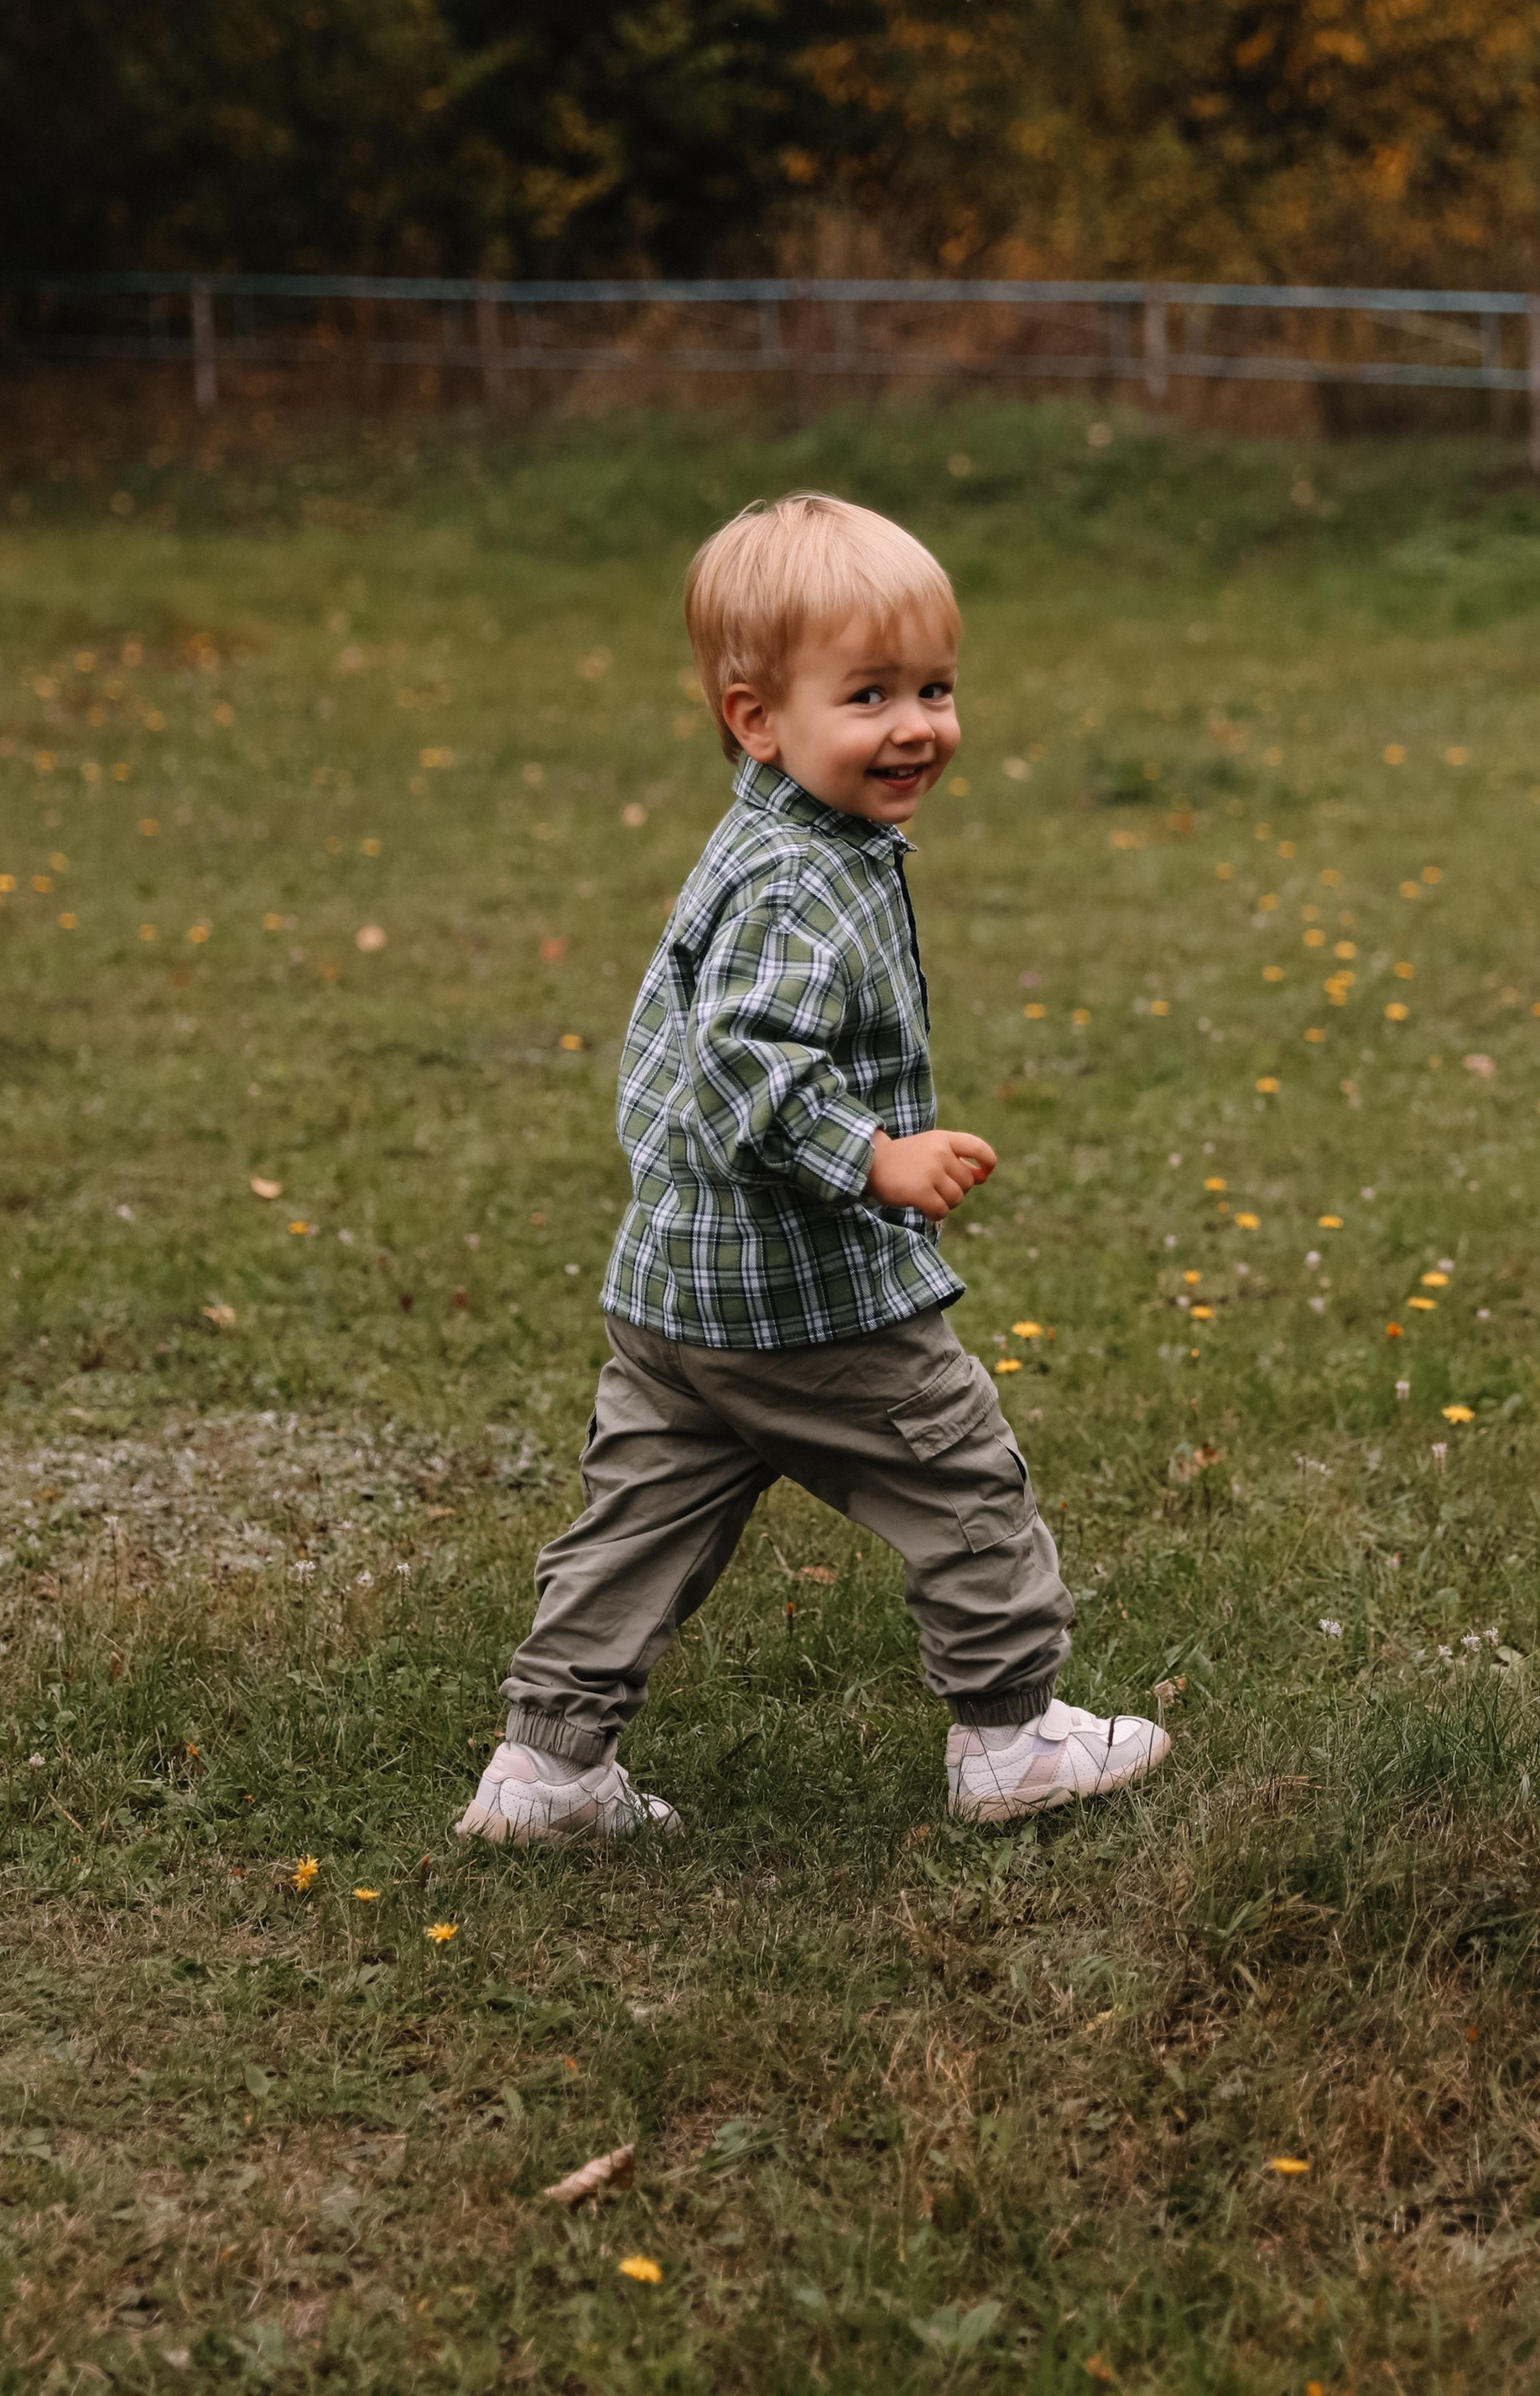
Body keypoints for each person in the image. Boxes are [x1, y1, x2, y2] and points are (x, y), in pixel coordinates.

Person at [457, 492, 1171, 1844]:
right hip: (803, 1295)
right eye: (869, 695)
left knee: (638, 1526)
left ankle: (546, 1770)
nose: (917, 726)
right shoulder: (798, 881)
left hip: (679, 1295)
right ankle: (1010, 1736)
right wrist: (876, 1157)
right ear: (757, 718)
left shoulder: (793, 842)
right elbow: (745, 1060)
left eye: (935, 688)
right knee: (959, 1474)